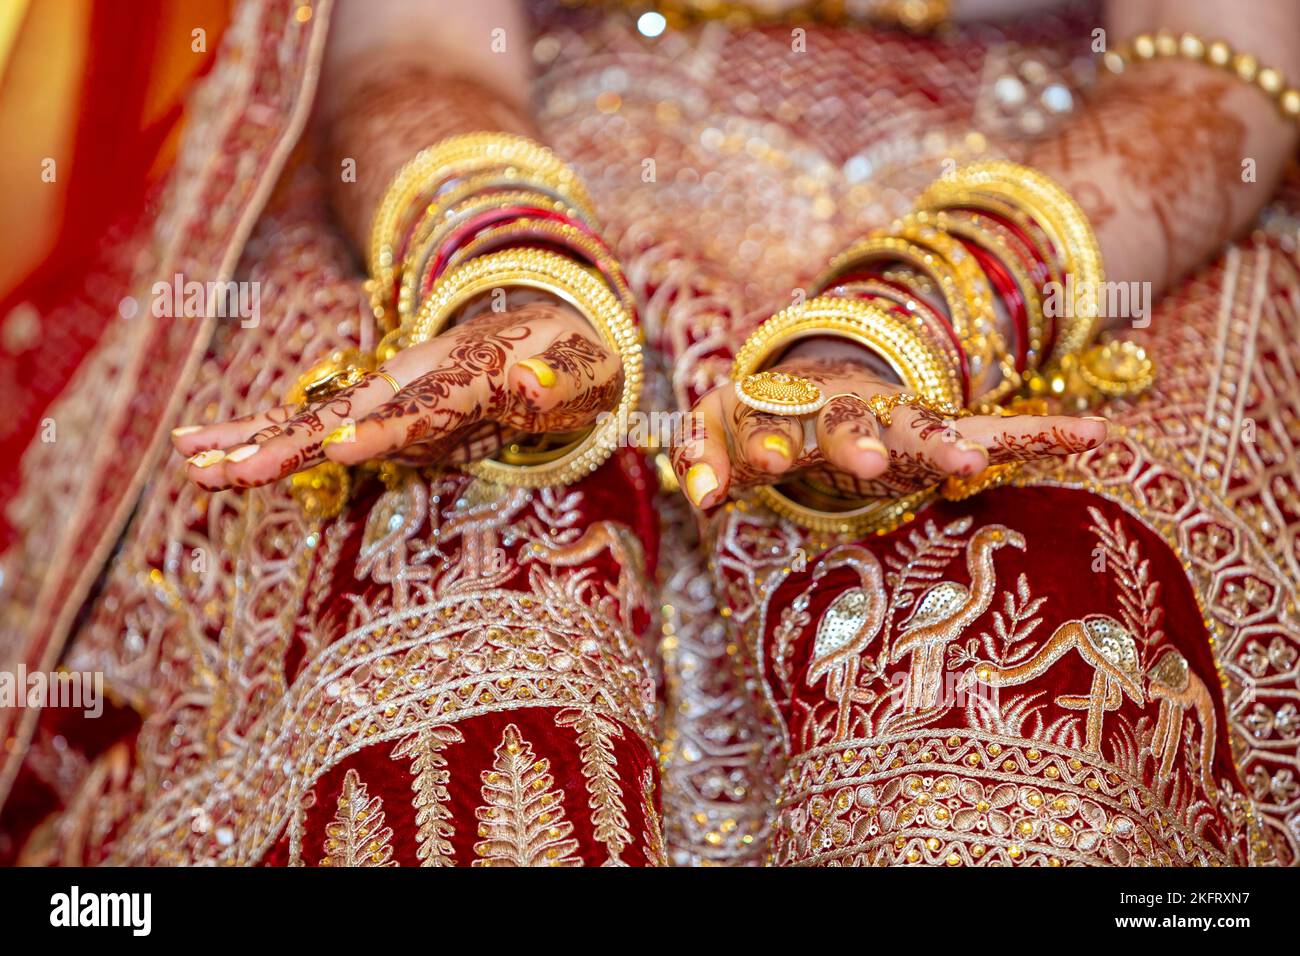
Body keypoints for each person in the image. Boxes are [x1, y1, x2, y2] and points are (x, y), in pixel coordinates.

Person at [0, 0, 1297, 867]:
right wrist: (511, 280)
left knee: (1015, 604)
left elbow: (1223, 71)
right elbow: (415, 47)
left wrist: (916, 323)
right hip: (520, 142)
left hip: (1082, 187)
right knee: (466, 536)